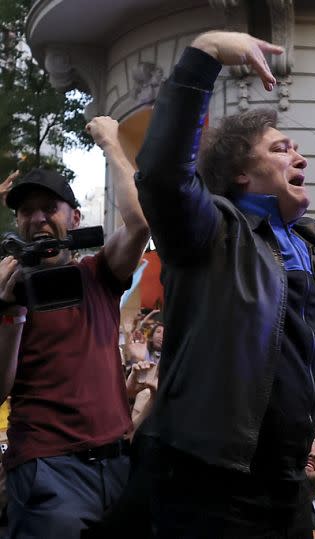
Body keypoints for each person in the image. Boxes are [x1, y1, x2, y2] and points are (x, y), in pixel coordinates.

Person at [134, 30, 315, 536]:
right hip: (209, 479)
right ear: (242, 174)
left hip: (287, 479)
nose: (300, 158)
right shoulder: (211, 230)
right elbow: (160, 176)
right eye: (282, 149)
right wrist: (204, 55)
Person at [0, 116, 150, 537]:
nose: (38, 219)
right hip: (48, 471)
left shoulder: (96, 274)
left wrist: (110, 142)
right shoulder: (5, 288)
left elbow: (139, 221)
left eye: (50, 208)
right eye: (27, 211)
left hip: (119, 465)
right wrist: (8, 310)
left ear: (76, 216)